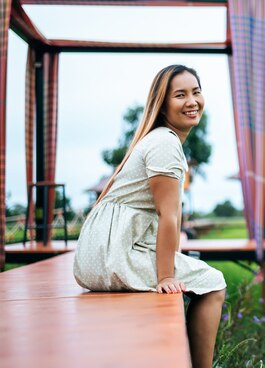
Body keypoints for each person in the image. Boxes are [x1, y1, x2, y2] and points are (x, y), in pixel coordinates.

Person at [74, 64, 226, 367]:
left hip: (96, 256)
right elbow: (168, 214)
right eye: (180, 95)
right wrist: (166, 275)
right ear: (162, 103)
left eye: (196, 91)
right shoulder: (165, 143)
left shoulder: (156, 139)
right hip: (113, 255)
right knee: (213, 281)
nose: (192, 101)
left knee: (192, 277)